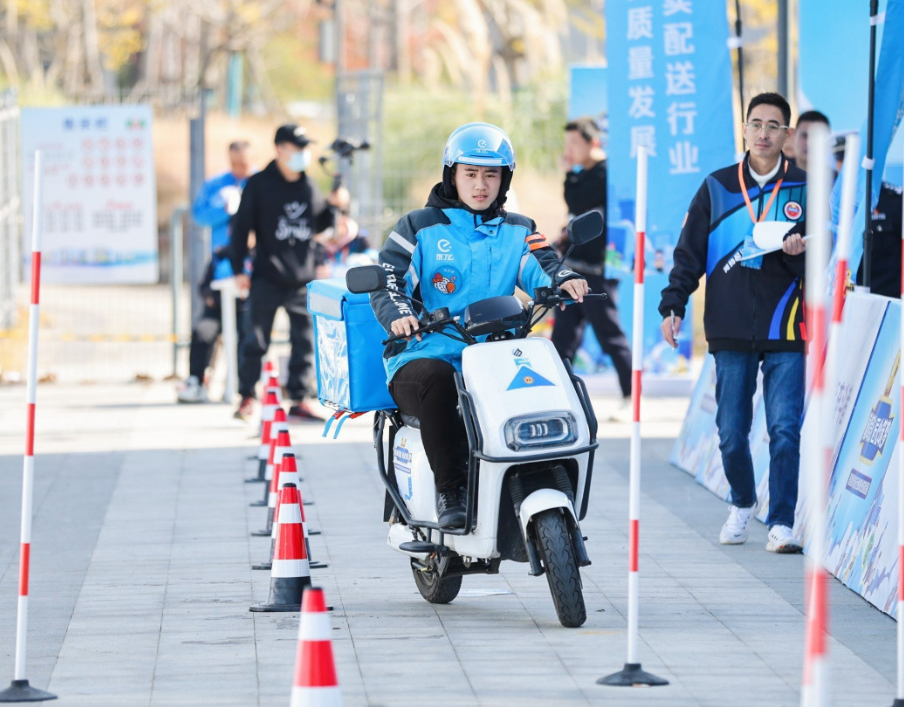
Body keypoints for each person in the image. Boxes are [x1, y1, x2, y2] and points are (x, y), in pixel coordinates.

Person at [369, 122, 588, 529]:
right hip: (425, 355)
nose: (481, 184)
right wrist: (399, 315)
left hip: (494, 357)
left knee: (558, 377)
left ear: (505, 178)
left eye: (491, 174)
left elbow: (544, 265)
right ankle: (451, 490)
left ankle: (549, 479)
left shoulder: (518, 230)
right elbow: (388, 279)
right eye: (470, 173)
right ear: (452, 174)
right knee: (439, 380)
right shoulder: (419, 227)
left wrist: (563, 280)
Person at [658, 93, 808, 554]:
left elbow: (829, 254)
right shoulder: (717, 186)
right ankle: (743, 502)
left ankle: (781, 521)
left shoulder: (806, 186)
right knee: (730, 430)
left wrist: (802, 254)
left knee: (784, 429)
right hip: (729, 324)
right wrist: (674, 303)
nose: (764, 133)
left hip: (786, 324)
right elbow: (689, 253)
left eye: (774, 126)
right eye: (756, 123)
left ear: (787, 134)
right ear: (744, 129)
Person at [230, 124, 348, 421]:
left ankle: (298, 399)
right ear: (280, 149)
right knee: (254, 339)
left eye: (305, 148)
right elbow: (241, 228)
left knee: (305, 342)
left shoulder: (308, 185)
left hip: (301, 278)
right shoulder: (258, 184)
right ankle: (246, 397)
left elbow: (318, 225)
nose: (303, 155)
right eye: (298, 148)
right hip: (266, 275)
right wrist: (238, 268)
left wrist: (335, 207)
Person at [549, 118, 632, 419]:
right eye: (567, 144)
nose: (569, 150)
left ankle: (631, 398)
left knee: (611, 335)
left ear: (592, 143)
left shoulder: (604, 173)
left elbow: (577, 198)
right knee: (562, 340)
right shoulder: (583, 174)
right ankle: (560, 399)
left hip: (597, 272)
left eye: (574, 144)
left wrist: (570, 173)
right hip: (572, 269)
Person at [794, 109, 904, 297]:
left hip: (883, 296)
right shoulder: (826, 198)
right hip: (836, 295)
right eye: (842, 159)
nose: (848, 165)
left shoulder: (894, 199)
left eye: (854, 159)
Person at [179, 141, 253, 404]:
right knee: (204, 331)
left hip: (248, 286)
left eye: (244, 163)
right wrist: (224, 209)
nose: (240, 168)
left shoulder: (260, 183)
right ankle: (196, 381)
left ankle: (245, 388)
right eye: (235, 163)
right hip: (222, 276)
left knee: (248, 333)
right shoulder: (216, 186)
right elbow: (198, 216)